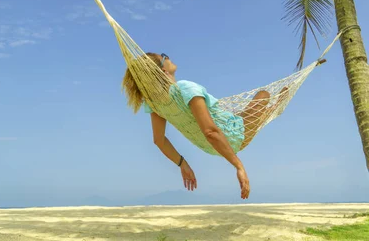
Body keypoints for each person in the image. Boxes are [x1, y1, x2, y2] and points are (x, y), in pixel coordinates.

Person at [122, 52, 286, 200]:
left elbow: (159, 140)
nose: (169, 57)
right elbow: (210, 132)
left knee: (245, 115)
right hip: (232, 135)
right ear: (163, 71)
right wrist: (239, 166)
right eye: (165, 56)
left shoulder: (154, 104)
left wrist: (182, 164)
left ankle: (270, 110)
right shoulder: (186, 88)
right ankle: (273, 107)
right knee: (263, 95)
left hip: (213, 149)